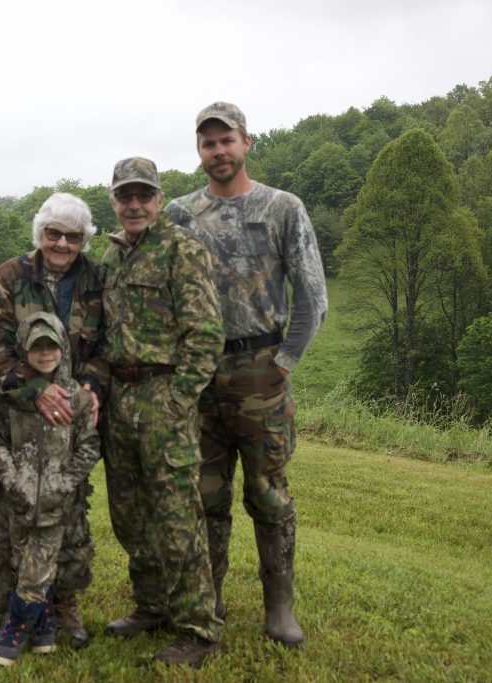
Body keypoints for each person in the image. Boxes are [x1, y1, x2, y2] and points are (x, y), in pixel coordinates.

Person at [165, 102, 327, 647]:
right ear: (199, 150)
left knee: (267, 491)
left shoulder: (282, 207)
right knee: (204, 493)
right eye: (208, 143)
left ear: (246, 143)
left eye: (226, 140)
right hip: (198, 370)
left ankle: (279, 608)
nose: (218, 151)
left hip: (260, 367)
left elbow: (311, 294)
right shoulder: (181, 214)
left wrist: (285, 361)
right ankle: (207, 603)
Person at [0, 192, 107, 649]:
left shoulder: (96, 279)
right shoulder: (8, 275)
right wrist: (34, 390)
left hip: (68, 423)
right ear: (39, 233)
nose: (61, 243)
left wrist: (92, 387)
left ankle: (64, 604)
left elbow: (108, 345)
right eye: (53, 233)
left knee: (68, 511)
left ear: (84, 239)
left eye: (72, 236)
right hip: (5, 414)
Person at [100, 157, 226, 667]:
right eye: (125, 196)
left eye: (143, 195)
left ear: (158, 198)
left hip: (163, 397)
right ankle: (150, 606)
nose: (134, 205)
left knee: (176, 515)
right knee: (129, 513)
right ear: (113, 200)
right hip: (118, 398)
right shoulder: (110, 256)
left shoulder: (182, 250)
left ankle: (198, 628)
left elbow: (206, 333)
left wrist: (181, 397)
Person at [0, 312, 101, 667]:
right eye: (38, 347)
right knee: (22, 561)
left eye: (52, 346)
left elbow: (89, 446)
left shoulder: (77, 398)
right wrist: (11, 478)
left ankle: (14, 628)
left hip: (56, 502)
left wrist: (64, 482)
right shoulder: (13, 397)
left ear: (63, 348)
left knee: (38, 565)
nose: (46, 353)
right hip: (19, 499)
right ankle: (46, 627)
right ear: (24, 350)